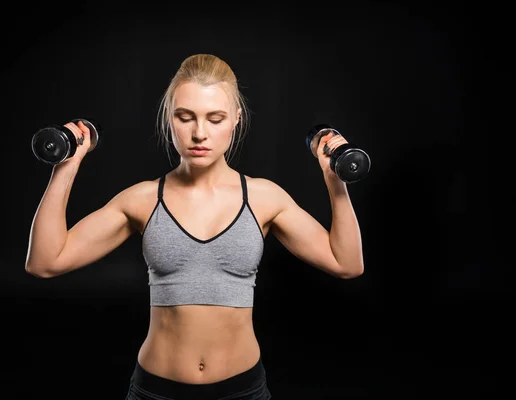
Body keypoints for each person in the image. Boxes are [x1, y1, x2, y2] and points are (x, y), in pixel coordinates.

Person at [25, 53, 365, 400]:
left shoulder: (264, 198)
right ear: (168, 119)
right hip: (156, 391)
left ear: (236, 118)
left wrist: (335, 181)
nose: (199, 133)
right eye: (185, 117)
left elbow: (347, 264)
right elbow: (45, 261)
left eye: (215, 119)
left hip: (242, 391)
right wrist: (66, 165)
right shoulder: (142, 199)